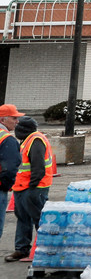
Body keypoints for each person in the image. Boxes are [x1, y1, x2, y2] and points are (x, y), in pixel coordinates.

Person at [6, 116, 55, 262]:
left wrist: (32, 185)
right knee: (23, 218)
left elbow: (38, 167)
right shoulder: (27, 140)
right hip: (22, 187)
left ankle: (43, 251)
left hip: (34, 188)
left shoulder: (35, 140)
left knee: (38, 219)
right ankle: (21, 250)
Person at [0, 106, 21, 256]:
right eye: (14, 118)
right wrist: (6, 186)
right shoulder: (7, 139)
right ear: (3, 119)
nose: (17, 121)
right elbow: (9, 168)